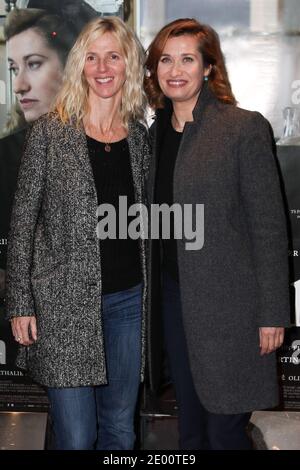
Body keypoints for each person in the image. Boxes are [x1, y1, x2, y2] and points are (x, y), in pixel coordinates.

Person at [144, 18, 290, 450]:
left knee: (225, 428)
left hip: (234, 308)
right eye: (165, 59)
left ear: (208, 67)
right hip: (173, 300)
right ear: (154, 70)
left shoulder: (242, 127)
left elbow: (267, 227)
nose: (176, 69)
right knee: (189, 425)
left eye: (188, 58)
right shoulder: (152, 138)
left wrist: (272, 312)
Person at [5, 16, 149, 450]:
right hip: (63, 307)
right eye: (92, 57)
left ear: (128, 65)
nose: (103, 67)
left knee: (121, 428)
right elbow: (23, 223)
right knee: (77, 437)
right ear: (79, 66)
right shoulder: (50, 132)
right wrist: (20, 303)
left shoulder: (140, 138)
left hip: (128, 303)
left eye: (113, 56)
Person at [0, 7, 83, 270]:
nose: (19, 85)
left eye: (34, 64)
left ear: (70, 67)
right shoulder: (6, 155)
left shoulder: (104, 142)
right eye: (14, 69)